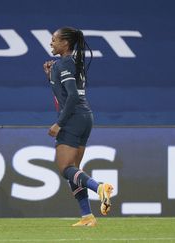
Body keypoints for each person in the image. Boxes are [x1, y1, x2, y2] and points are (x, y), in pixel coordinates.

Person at [43, 27, 113, 226]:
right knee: (75, 170)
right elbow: (66, 93)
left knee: (65, 168)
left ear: (65, 43)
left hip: (72, 118)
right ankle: (87, 216)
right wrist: (50, 77)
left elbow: (72, 96)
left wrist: (59, 123)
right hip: (85, 117)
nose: (51, 43)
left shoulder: (64, 63)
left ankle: (99, 188)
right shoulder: (72, 63)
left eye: (54, 40)